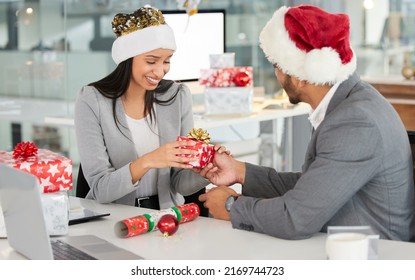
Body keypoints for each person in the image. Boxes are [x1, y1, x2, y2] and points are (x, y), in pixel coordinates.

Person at [199, 5, 415, 241]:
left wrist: (232, 206)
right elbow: (311, 188)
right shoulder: (349, 103)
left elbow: (296, 218)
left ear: (301, 76)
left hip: (373, 256)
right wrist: (240, 171)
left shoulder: (354, 122)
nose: (277, 76)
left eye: (277, 67)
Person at [74, 6, 215, 211]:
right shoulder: (92, 100)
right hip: (115, 218)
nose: (160, 71)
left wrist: (205, 171)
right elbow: (100, 189)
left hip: (168, 217)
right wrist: (149, 160)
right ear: (127, 58)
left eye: (167, 61)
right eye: (151, 61)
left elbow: (180, 184)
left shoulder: (177, 96)